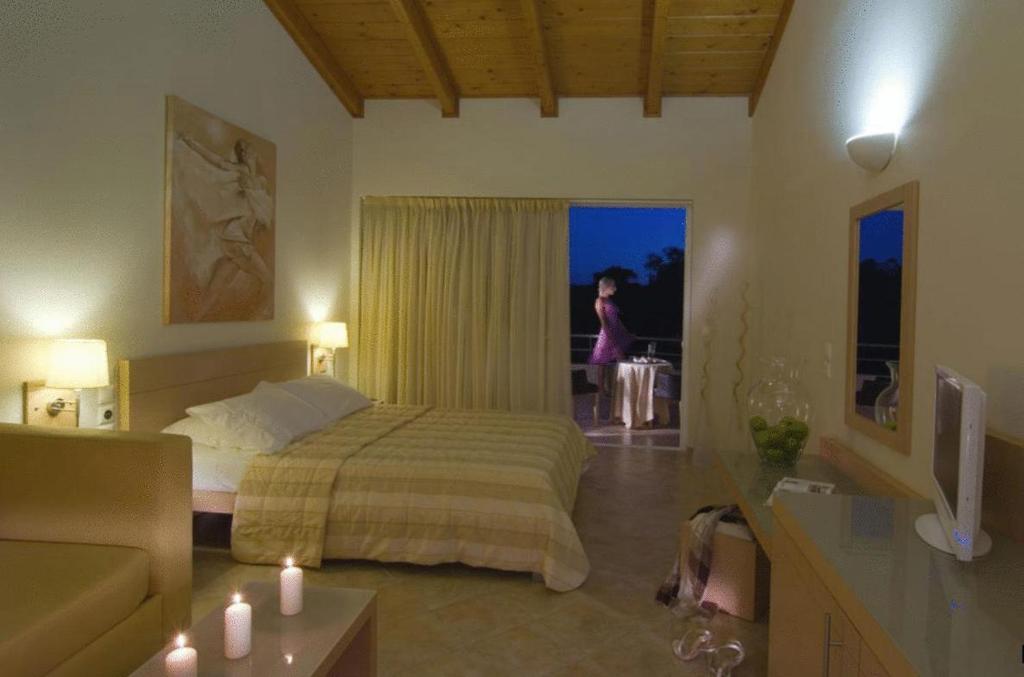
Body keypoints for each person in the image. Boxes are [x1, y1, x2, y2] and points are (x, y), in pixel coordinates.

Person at [588, 277, 635, 415]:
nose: (615, 288)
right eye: (613, 286)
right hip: (607, 334)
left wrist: (627, 333)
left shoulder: (610, 301)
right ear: (606, 287)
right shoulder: (600, 301)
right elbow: (604, 322)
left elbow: (617, 321)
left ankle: (618, 390)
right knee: (603, 363)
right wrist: (611, 339)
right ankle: (602, 391)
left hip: (616, 333)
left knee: (618, 362)